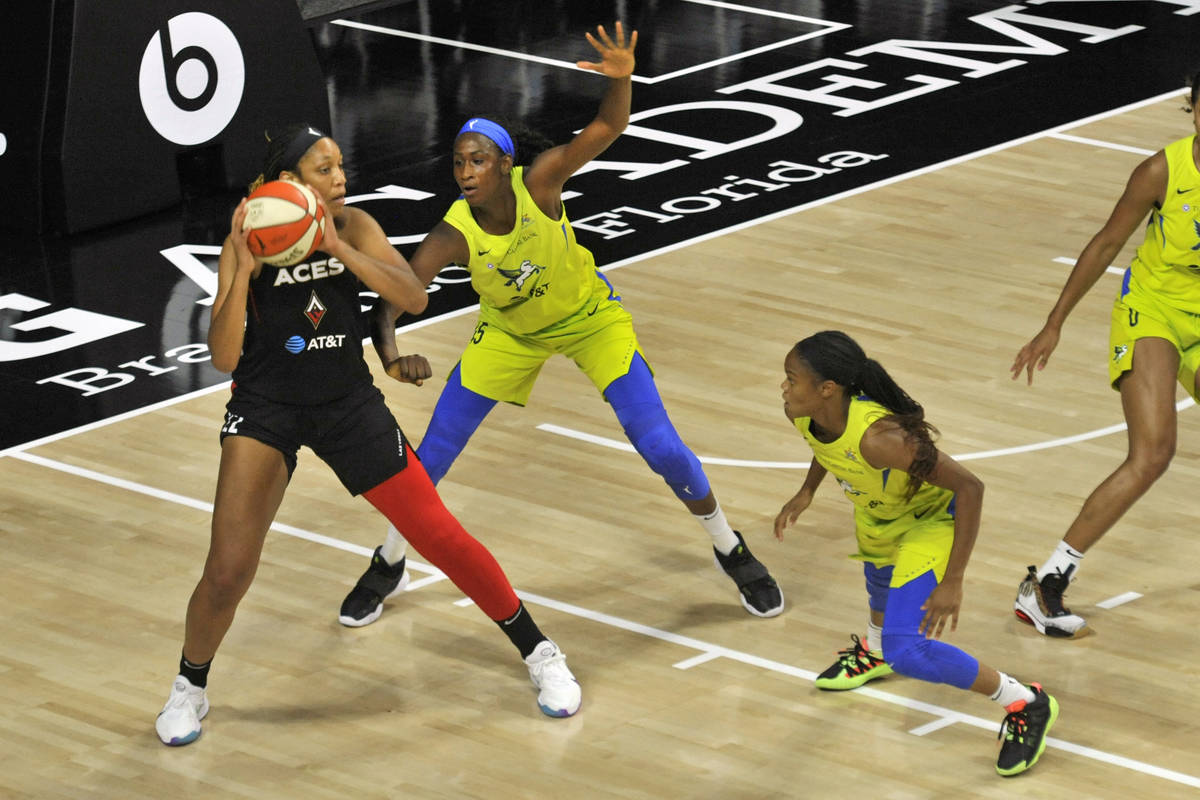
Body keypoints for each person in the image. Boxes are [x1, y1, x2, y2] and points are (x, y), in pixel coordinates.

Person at [337, 22, 783, 627]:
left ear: (505, 164)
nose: (465, 172)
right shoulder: (453, 233)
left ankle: (730, 545)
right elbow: (393, 301)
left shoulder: (540, 182)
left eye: (478, 160)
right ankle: (390, 561)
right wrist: (391, 358)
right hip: (509, 334)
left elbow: (607, 127)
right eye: (458, 162)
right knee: (430, 457)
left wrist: (621, 80)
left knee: (660, 446)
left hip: (589, 320)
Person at [154, 124, 582, 747]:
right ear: (291, 182)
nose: (340, 179)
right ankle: (189, 688)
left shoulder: (353, 226)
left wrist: (337, 246)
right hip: (266, 406)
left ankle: (540, 652)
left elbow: (411, 295)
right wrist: (244, 271)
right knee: (227, 570)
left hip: (346, 404)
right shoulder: (244, 238)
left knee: (439, 534)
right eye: (325, 170)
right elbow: (222, 357)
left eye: (340, 168)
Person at [774, 331, 1058, 777]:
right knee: (880, 597)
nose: (784, 387)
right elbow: (825, 447)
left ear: (827, 389)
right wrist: (806, 491)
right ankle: (874, 650)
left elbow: (970, 487)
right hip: (877, 517)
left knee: (908, 649)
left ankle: (1025, 701)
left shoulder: (880, 438)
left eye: (792, 379)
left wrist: (954, 580)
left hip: (928, 522)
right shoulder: (805, 414)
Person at [1009, 70, 1200, 638]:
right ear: (1193, 108)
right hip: (1154, 309)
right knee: (1153, 452)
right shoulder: (1163, 170)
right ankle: (1046, 584)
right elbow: (1107, 243)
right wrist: (1054, 324)